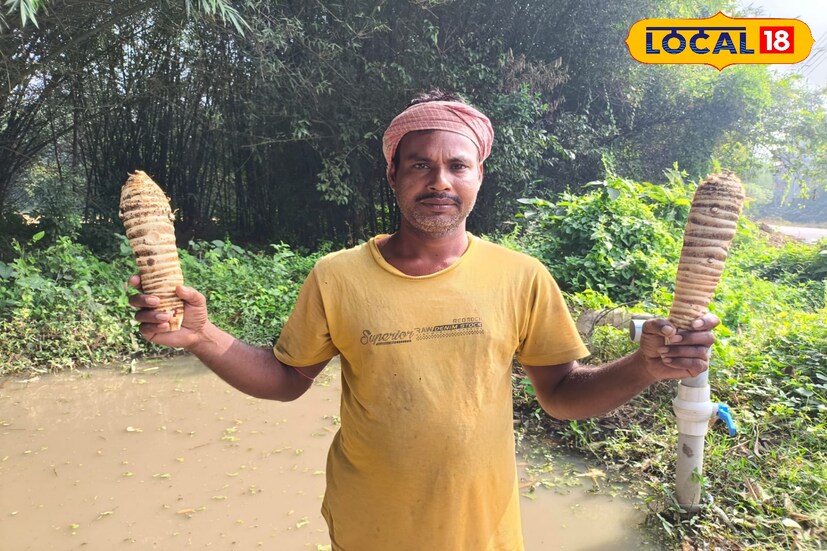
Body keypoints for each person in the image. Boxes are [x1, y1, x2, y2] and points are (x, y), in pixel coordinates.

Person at [128, 90, 718, 551]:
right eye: (419, 166)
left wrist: (644, 365)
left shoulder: (521, 277)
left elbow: (561, 395)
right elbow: (287, 380)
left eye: (457, 165)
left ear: (478, 176)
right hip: (369, 525)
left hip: (481, 528)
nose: (439, 181)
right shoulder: (336, 276)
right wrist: (204, 336)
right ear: (393, 176)